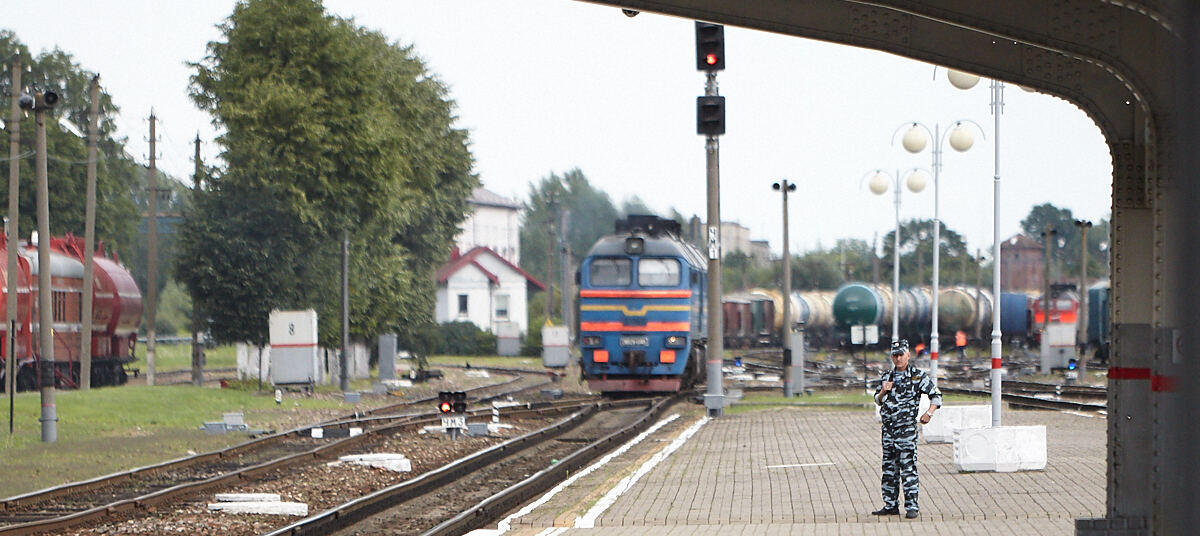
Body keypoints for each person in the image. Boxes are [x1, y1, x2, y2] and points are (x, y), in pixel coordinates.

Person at [871, 339, 942, 519]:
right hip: (889, 431)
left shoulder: (917, 376)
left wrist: (929, 413)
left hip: (906, 431)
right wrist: (882, 392)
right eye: (895, 355)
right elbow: (877, 401)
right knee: (889, 469)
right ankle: (890, 505)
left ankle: (912, 506)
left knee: (908, 467)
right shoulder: (887, 376)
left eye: (901, 355)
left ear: (908, 355)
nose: (898, 358)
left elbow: (936, 396)